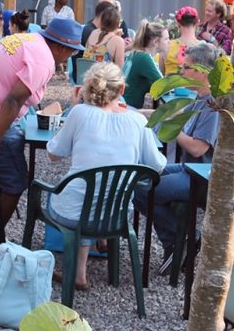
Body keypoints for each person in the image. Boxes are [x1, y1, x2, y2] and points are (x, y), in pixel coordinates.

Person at [0, 18, 81, 258]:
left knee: (10, 167)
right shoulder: (43, 61)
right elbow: (12, 100)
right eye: (73, 51)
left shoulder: (28, 40)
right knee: (15, 181)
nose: (71, 56)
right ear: (63, 48)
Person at [45, 63, 167, 289]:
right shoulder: (138, 121)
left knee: (76, 194)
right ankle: (99, 242)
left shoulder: (80, 113)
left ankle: (80, 272)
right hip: (117, 215)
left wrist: (73, 108)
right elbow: (157, 166)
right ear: (121, 89)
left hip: (74, 213)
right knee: (98, 193)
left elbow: (53, 154)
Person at [134, 42, 223, 274]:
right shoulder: (199, 98)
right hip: (189, 169)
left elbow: (197, 149)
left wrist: (169, 128)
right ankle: (181, 239)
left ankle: (180, 239)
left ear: (203, 73)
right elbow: (169, 114)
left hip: (203, 176)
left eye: (186, 68)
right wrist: (133, 112)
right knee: (142, 178)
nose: (181, 72)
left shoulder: (213, 105)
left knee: (142, 190)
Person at [123, 20, 168, 109]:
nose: (169, 42)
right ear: (155, 42)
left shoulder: (137, 53)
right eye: (166, 39)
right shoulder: (144, 57)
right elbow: (165, 87)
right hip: (128, 109)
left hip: (123, 104)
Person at [164, 6, 201, 75]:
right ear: (197, 23)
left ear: (178, 23)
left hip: (170, 85)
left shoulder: (167, 46)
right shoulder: (204, 48)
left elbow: (160, 75)